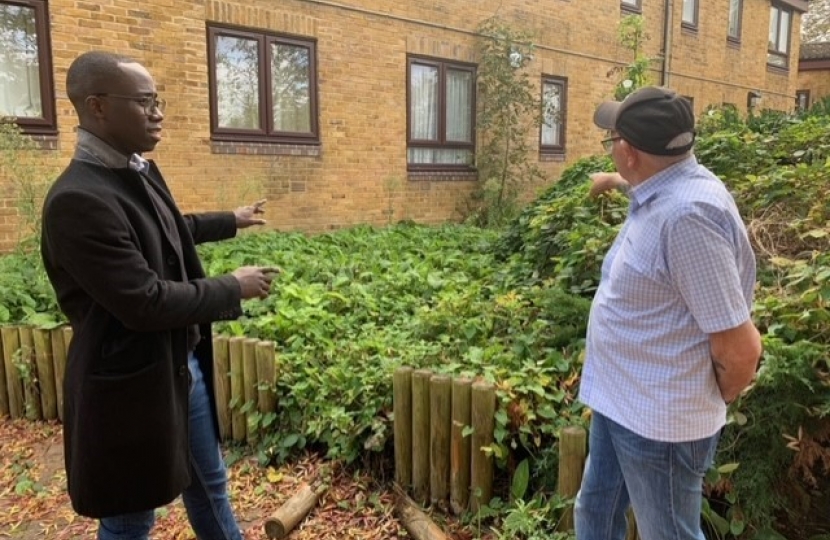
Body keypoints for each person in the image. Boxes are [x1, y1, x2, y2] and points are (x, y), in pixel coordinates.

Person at [40, 51, 278, 540]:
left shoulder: (137, 171)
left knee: (210, 486)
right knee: (131, 515)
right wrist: (233, 286)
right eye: (144, 101)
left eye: (157, 100)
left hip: (178, 364)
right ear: (98, 106)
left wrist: (229, 219)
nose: (158, 112)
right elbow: (144, 302)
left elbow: (167, 229)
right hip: (130, 387)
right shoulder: (77, 200)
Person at [574, 86, 763, 540]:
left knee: (670, 533)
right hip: (620, 400)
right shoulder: (669, 186)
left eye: (614, 138)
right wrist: (613, 181)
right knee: (594, 511)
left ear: (629, 151)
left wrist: (689, 400)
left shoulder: (688, 219)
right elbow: (654, 187)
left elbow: (741, 349)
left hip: (659, 423)